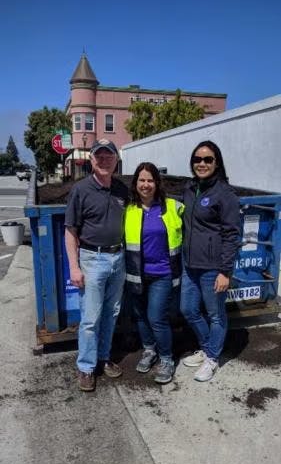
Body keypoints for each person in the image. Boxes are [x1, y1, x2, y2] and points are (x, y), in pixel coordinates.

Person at [65, 139, 128, 391]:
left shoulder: (123, 190)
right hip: (91, 259)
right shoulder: (81, 190)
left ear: (116, 160)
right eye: (99, 156)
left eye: (108, 156)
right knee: (90, 318)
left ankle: (103, 358)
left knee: (111, 314)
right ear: (91, 160)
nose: (104, 160)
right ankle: (86, 367)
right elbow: (70, 231)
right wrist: (74, 267)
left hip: (118, 259)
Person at [180, 141, 241, 382]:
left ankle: (213, 358)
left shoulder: (224, 194)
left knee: (216, 315)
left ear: (217, 163)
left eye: (208, 159)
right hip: (189, 265)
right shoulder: (189, 188)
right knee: (188, 309)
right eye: (198, 159)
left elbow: (231, 234)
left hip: (213, 268)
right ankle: (207, 348)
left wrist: (225, 271)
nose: (202, 163)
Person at [124, 162, 184, 384]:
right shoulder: (128, 209)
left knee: (157, 317)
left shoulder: (172, 207)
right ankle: (149, 350)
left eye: (150, 180)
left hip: (163, 273)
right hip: (136, 273)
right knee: (140, 315)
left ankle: (167, 358)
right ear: (136, 183)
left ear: (157, 183)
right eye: (142, 180)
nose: (146, 185)